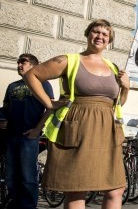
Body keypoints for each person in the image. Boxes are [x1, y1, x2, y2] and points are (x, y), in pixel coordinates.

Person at [23, 19, 130, 209]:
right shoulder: (69, 60)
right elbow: (32, 75)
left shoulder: (113, 67)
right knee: (76, 189)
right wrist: (49, 103)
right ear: (88, 34)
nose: (100, 36)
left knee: (116, 189)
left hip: (108, 132)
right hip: (79, 129)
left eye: (105, 34)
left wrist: (127, 88)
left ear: (109, 41)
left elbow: (117, 104)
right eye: (96, 32)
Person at [1, 54, 54, 209]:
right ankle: (14, 203)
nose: (19, 65)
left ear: (33, 66)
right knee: (11, 176)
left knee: (27, 176)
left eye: (23, 62)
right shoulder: (12, 86)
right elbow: (5, 108)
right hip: (11, 136)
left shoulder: (43, 84)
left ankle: (28, 206)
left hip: (28, 137)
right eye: (18, 62)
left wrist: (38, 129)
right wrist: (2, 119)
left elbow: (50, 108)